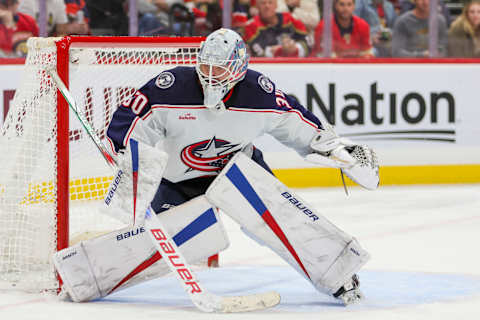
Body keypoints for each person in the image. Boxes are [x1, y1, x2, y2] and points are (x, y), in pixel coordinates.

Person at [101, 28, 378, 305]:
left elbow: (299, 125)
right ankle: (97, 272)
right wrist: (124, 153)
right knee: (155, 244)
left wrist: (338, 150)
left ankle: (338, 274)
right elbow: (130, 121)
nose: (210, 74)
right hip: (177, 179)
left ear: (237, 68)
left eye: (219, 69)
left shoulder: (259, 94)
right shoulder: (171, 86)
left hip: (238, 172)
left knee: (281, 218)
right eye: (206, 65)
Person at [244, 0, 310, 57]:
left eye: (270, 2)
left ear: (276, 5)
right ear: (257, 7)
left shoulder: (290, 19)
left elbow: (308, 41)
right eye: (263, 3)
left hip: (295, 64)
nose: (267, 6)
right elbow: (257, 52)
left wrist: (296, 48)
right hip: (269, 67)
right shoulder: (251, 26)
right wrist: (281, 50)